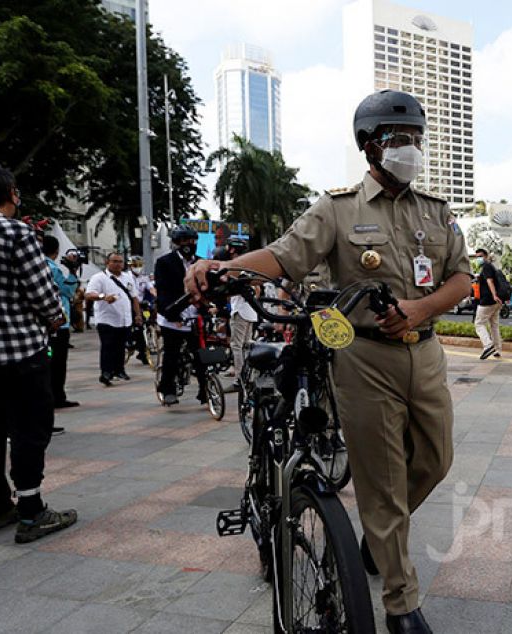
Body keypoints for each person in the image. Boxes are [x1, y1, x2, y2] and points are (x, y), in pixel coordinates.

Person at [184, 89, 471, 634]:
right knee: (382, 481)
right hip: (363, 358)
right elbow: (283, 256)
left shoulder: (434, 211)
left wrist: (418, 309)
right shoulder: (337, 209)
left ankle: (380, 534)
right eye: (396, 140)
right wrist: (223, 267)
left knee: (435, 460)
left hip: (425, 352)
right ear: (369, 147)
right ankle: (401, 603)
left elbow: (461, 278)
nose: (409, 149)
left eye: (415, 139)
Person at [0, 162, 78, 542]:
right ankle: (32, 511)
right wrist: (54, 319)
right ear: (10, 194)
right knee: (28, 430)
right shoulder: (16, 233)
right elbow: (43, 295)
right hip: (20, 353)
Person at [154, 227, 207, 406]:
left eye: (191, 241)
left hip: (194, 317)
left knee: (201, 356)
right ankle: (167, 389)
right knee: (172, 355)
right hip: (173, 317)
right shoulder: (164, 263)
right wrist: (171, 311)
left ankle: (205, 390)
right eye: (183, 241)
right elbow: (162, 290)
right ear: (176, 243)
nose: (188, 245)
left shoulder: (200, 262)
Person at [84, 252, 141, 386]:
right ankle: (106, 372)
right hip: (106, 319)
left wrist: (138, 314)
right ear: (107, 263)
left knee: (120, 346)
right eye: (114, 261)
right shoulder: (99, 278)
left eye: (120, 262)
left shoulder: (128, 277)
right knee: (108, 345)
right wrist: (103, 297)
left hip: (124, 318)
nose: (118, 264)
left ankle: (119, 370)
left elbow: (134, 297)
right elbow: (89, 294)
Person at [42, 236, 79, 409]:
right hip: (59, 322)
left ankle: (51, 396)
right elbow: (68, 290)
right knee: (57, 363)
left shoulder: (37, 265)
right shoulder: (52, 267)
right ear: (56, 251)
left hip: (44, 323)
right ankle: (57, 397)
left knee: (48, 362)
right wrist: (72, 271)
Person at [224, 237, 258, 383]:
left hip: (240, 311)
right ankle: (249, 376)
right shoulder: (248, 265)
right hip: (251, 311)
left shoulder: (234, 267)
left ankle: (240, 378)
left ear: (232, 249)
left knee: (237, 346)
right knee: (247, 345)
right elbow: (257, 289)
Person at [474, 248, 503, 360]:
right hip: (496, 302)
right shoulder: (492, 267)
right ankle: (497, 349)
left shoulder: (486, 267)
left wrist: (494, 295)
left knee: (479, 323)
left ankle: (488, 345)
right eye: (476, 257)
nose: (478, 259)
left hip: (487, 300)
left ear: (486, 256)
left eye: (480, 256)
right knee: (494, 325)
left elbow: (490, 281)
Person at [125, 255, 155, 365]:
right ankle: (133, 343)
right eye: (135, 265)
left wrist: (157, 295)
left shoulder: (144, 278)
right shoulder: (126, 277)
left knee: (146, 321)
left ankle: (143, 350)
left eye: (139, 265)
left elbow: (151, 289)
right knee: (135, 326)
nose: (138, 267)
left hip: (142, 304)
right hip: (130, 305)